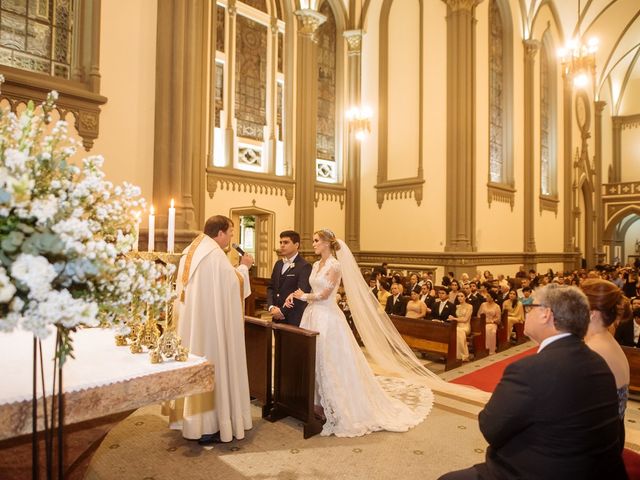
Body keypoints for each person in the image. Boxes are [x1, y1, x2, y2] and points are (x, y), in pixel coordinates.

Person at [439, 284, 627, 480]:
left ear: (545, 314)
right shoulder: (598, 361)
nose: (526, 311)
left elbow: (490, 427)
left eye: (531, 306)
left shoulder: (528, 369)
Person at [285, 229, 430, 437]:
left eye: (316, 241)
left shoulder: (335, 266)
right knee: (314, 358)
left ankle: (336, 404)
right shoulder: (316, 265)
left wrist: (302, 296)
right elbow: (309, 291)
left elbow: (325, 294)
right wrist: (297, 295)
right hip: (312, 314)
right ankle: (316, 401)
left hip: (327, 317)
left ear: (326, 243)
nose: (314, 244)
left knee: (330, 360)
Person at [169, 215, 254, 444]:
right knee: (215, 365)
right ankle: (211, 425)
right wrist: (244, 268)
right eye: (231, 233)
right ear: (220, 233)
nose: (231, 238)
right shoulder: (214, 255)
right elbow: (232, 285)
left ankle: (189, 420)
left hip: (193, 324)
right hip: (210, 330)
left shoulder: (191, 250)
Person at [581, 279, 631, 434]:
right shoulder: (605, 339)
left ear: (591, 313)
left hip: (600, 441)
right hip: (613, 432)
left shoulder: (592, 349)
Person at [266, 230, 312, 326]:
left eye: (286, 242)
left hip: (293, 317)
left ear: (296, 245)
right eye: (281, 242)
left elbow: (301, 292)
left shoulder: (304, 266)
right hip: (276, 316)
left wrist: (282, 311)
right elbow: (271, 287)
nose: (282, 245)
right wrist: (271, 307)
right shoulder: (278, 264)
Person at [448, 292, 472, 361]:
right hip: (457, 325)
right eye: (458, 296)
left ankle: (463, 355)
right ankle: (454, 354)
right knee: (455, 330)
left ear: (465, 297)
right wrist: (451, 317)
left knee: (459, 331)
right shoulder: (456, 306)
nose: (460, 298)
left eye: (462, 296)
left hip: (465, 326)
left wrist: (454, 318)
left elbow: (465, 319)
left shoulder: (469, 306)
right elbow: (453, 316)